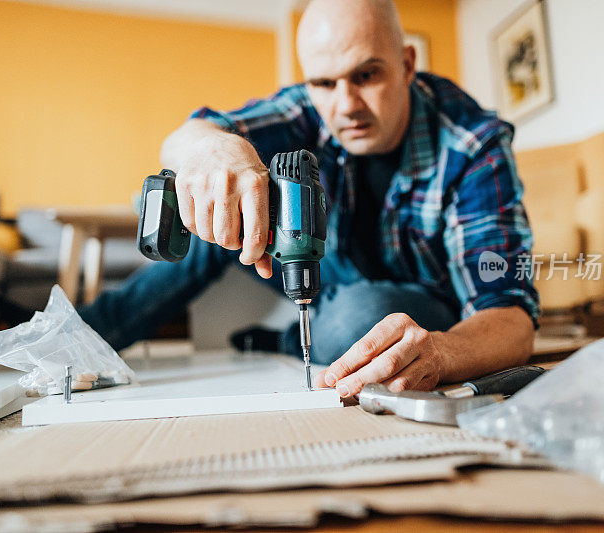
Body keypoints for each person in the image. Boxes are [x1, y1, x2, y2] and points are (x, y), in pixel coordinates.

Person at [78, 0, 540, 399]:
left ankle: (286, 340)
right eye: (324, 83)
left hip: (409, 304)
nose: (347, 105)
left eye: (367, 75)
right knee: (215, 201)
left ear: (406, 63)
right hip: (317, 264)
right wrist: (213, 152)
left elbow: (510, 315)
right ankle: (75, 341)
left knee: (361, 318)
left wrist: (440, 352)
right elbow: (188, 135)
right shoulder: (304, 107)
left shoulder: (472, 144)